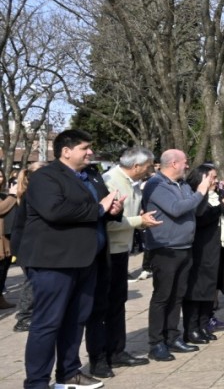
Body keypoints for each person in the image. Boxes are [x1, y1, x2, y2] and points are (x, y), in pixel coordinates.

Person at [19, 129, 124, 389]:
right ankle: (37, 381)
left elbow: (96, 209)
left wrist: (111, 211)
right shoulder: (46, 176)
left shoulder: (90, 175)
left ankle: (69, 373)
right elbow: (54, 211)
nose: (90, 152)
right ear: (66, 151)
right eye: (84, 148)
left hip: (87, 260)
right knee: (48, 323)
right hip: (54, 262)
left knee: (76, 319)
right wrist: (100, 208)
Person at [86, 147, 160, 378]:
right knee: (101, 307)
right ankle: (98, 358)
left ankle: (117, 351)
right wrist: (140, 221)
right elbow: (107, 221)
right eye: (148, 166)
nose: (150, 171)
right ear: (136, 166)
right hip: (106, 250)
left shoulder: (134, 183)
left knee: (118, 303)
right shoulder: (109, 181)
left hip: (122, 251)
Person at [142, 149, 212, 362]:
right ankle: (156, 343)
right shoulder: (157, 185)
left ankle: (173, 337)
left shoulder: (182, 185)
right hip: (165, 248)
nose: (187, 166)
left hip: (184, 247)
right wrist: (200, 191)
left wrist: (204, 192)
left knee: (178, 295)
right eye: (185, 162)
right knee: (163, 296)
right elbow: (176, 209)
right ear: (173, 163)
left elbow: (196, 211)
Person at [182, 164, 224, 345]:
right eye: (212, 177)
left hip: (216, 247)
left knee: (209, 289)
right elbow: (201, 217)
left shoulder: (216, 195)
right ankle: (191, 328)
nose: (215, 181)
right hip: (200, 249)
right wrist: (221, 207)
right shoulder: (195, 197)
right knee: (197, 289)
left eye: (215, 177)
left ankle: (204, 325)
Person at [9, 161, 47, 333]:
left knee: (36, 282)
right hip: (27, 246)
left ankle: (32, 315)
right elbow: (20, 226)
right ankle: (24, 318)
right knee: (31, 283)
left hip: (32, 245)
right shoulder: (30, 194)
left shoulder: (34, 193)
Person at [0, 169, 18, 309]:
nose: (0, 179)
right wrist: (12, 196)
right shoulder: (8, 196)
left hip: (5, 239)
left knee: (3, 270)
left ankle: (0, 299)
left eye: (1, 175)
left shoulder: (3, 194)